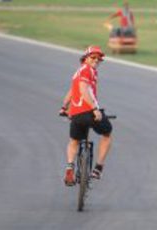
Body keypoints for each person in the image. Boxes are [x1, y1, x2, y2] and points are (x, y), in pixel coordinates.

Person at [59, 45, 113, 186]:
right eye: (93, 57)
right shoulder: (87, 70)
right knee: (107, 134)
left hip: (75, 113)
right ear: (85, 58)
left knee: (74, 141)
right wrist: (95, 109)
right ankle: (98, 168)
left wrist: (64, 107)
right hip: (89, 112)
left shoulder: (78, 72)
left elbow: (72, 91)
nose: (96, 60)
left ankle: (70, 166)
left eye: (99, 59)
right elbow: (83, 90)